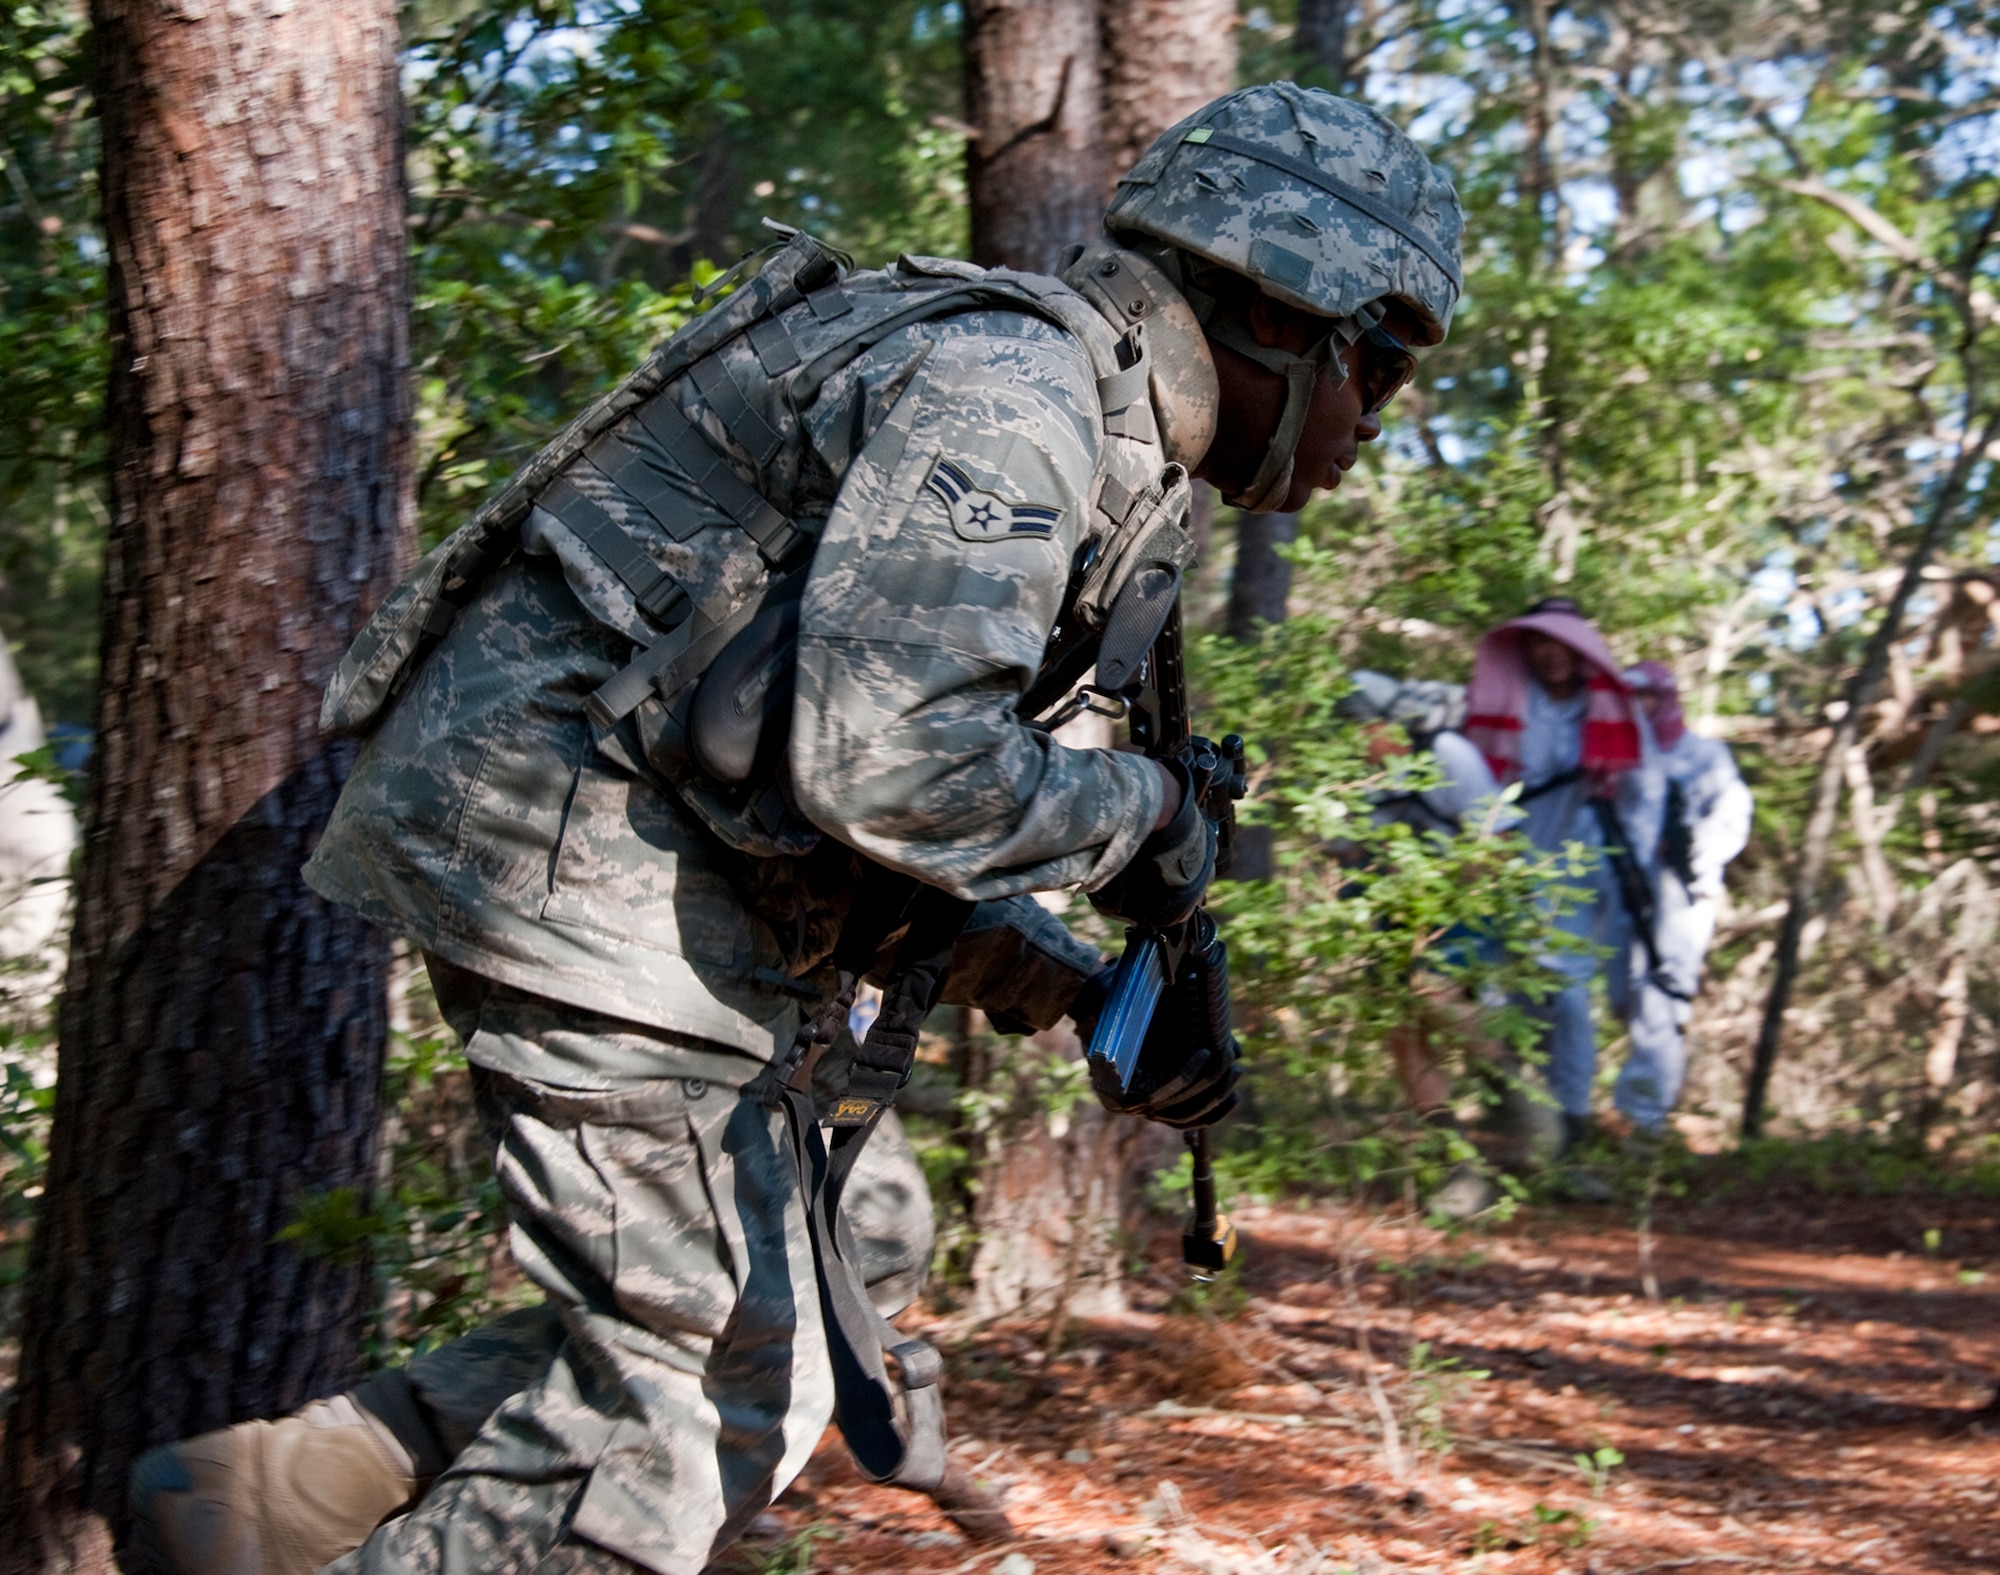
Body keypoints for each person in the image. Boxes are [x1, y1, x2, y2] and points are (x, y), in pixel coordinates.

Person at [132, 83, 1465, 1575]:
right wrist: (1140, 813)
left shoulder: (1101, 434)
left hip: (640, 858)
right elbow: (887, 765)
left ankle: (275, 1499)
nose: (1373, 430)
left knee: (858, 1235)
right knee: (705, 1404)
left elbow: (815, 767)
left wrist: (1072, 981)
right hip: (577, 865)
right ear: (1292, 315)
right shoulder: (1014, 397)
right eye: (1389, 373)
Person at [1461, 599, 1643, 1181]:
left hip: (1576, 870)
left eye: (1563, 644)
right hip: (1502, 867)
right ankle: (1513, 1132)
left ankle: (1572, 1137)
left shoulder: (1605, 709)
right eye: (1540, 642)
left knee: (1568, 1003)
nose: (1551, 654)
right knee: (1497, 1000)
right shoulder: (1505, 703)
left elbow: (1639, 798)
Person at [1335, 671, 1518, 1218]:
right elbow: (1344, 857)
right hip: (1389, 918)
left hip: (1457, 911)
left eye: (1360, 727)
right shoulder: (1348, 778)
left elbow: (1499, 839)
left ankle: (1520, 1097)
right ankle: (1456, 1164)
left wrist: (1447, 899)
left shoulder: (1449, 755)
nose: (1354, 741)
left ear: (1390, 722)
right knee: (1401, 1033)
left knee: (1436, 1000)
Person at [1607, 661, 1752, 1136]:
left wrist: (1694, 848)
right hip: (1624, 888)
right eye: (1633, 698)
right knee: (1623, 997)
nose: (1641, 707)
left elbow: (1732, 815)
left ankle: (1645, 1119)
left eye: (1648, 697)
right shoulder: (1619, 754)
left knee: (1662, 1000)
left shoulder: (1705, 755)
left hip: (1682, 892)